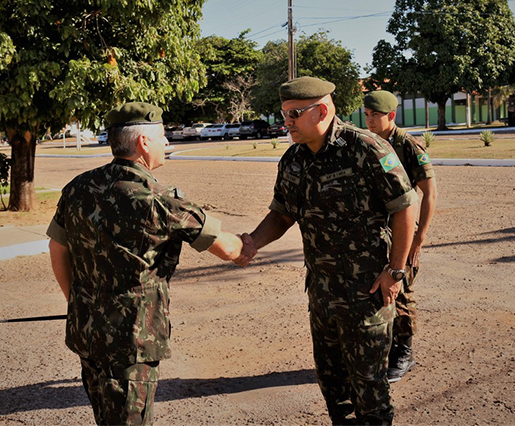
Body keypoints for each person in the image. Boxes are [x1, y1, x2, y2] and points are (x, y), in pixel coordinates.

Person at [47, 102, 253, 426]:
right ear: (144, 142)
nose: (168, 143)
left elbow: (57, 248)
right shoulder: (160, 199)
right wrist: (249, 243)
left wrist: (77, 301)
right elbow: (227, 249)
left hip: (87, 333)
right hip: (132, 339)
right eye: (163, 136)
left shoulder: (78, 188)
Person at [242, 77, 419, 426]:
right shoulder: (294, 159)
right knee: (333, 387)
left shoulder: (366, 148)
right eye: (284, 114)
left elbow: (405, 206)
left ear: (322, 110)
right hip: (322, 294)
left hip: (366, 292)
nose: (286, 122)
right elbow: (281, 214)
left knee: (370, 389)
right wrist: (251, 243)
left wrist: (396, 270)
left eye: (294, 114)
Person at [363, 90, 438, 383]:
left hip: (403, 231)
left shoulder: (408, 145)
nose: (369, 121)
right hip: (377, 231)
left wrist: (419, 238)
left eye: (375, 116)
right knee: (378, 291)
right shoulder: (371, 143)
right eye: (366, 115)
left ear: (391, 116)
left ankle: (404, 353)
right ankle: (385, 350)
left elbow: (430, 194)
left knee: (402, 290)